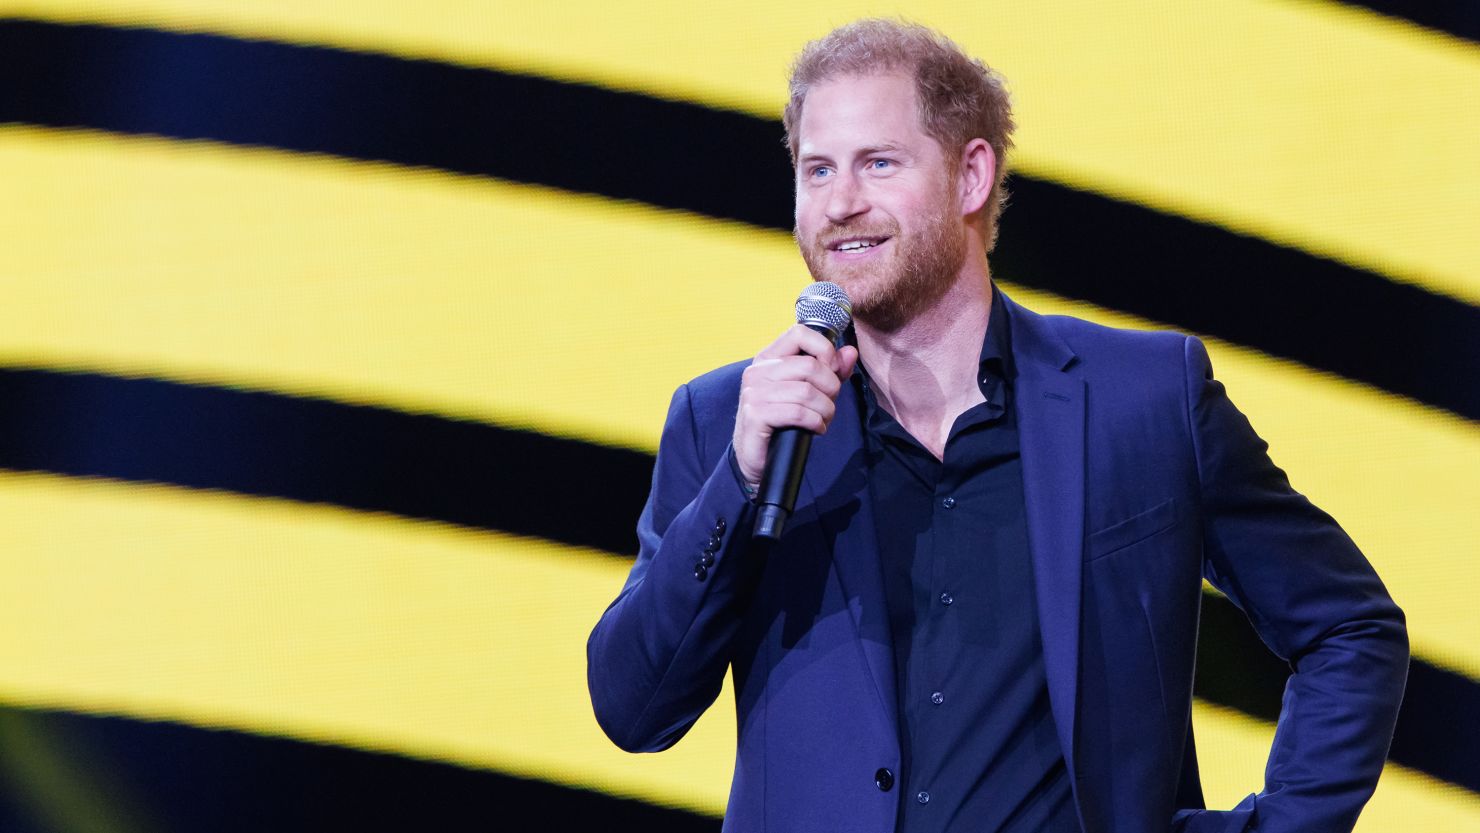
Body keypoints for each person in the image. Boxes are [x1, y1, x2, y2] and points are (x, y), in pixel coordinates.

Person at [587, 19, 1407, 833]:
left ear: (971, 174)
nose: (841, 203)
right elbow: (633, 708)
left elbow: (1350, 627)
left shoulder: (1144, 400)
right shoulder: (731, 422)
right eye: (817, 169)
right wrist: (738, 483)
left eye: (879, 162)